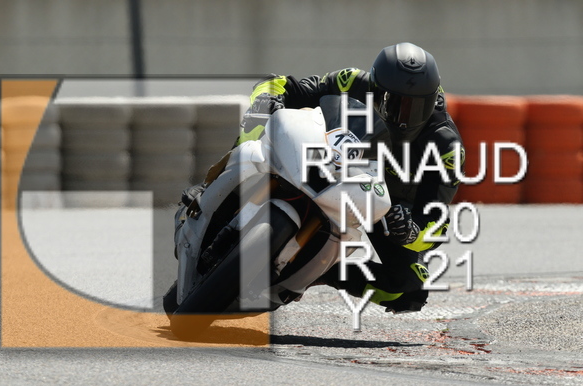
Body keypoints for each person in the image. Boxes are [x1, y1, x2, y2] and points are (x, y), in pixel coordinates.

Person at [184, 42, 464, 314]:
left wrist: (411, 230)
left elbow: (436, 221)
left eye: (417, 107)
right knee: (260, 117)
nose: (404, 118)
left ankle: (323, 271)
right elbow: (281, 83)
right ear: (375, 89)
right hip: (332, 156)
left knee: (409, 288)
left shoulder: (446, 147)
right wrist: (269, 98)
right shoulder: (352, 81)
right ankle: (211, 185)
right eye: (394, 104)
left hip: (385, 208)